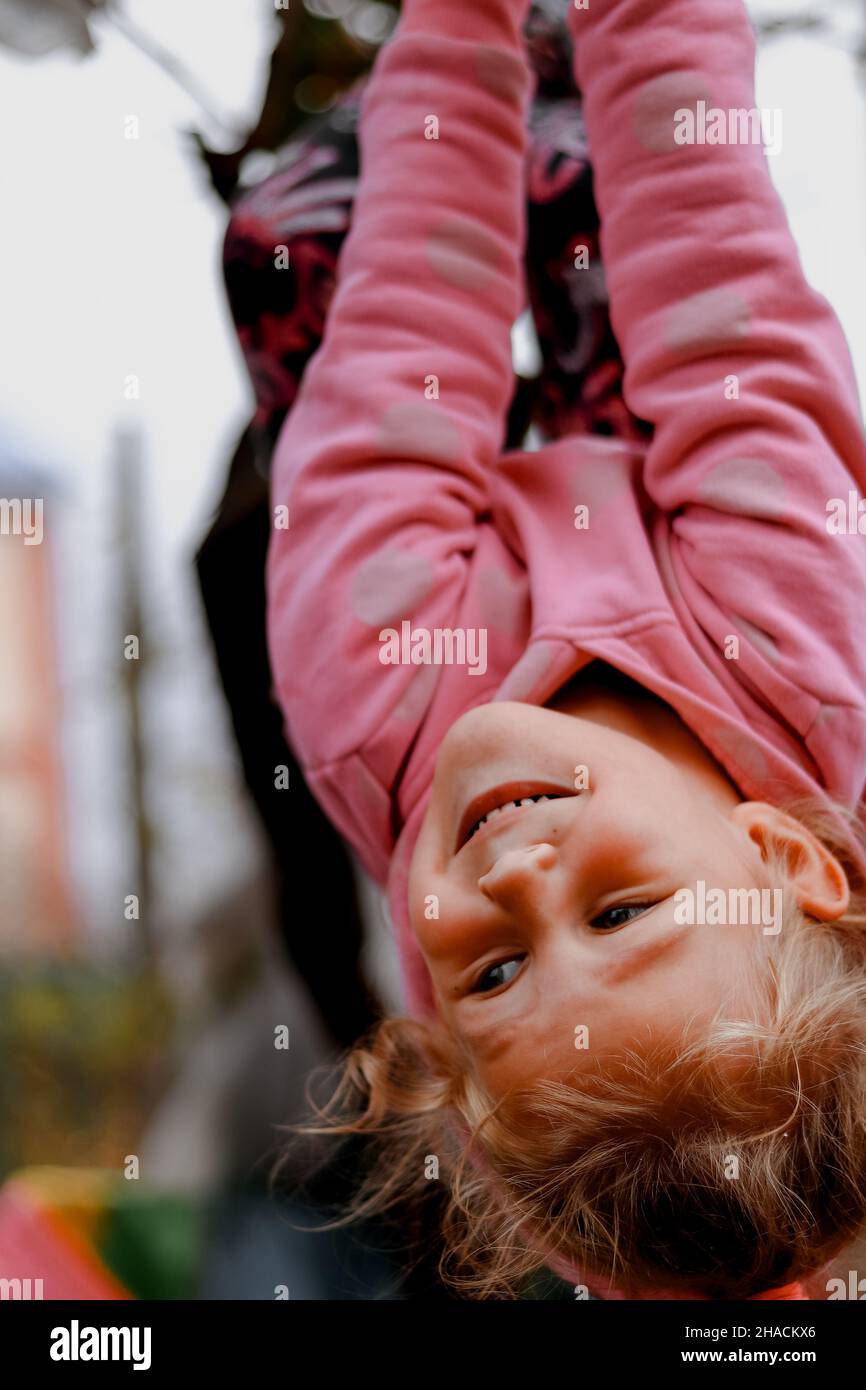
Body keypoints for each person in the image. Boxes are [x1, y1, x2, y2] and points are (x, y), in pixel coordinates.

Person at [256, 0, 866, 1298]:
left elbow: (410, 328)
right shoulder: (807, 635)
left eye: (489, 969)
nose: (514, 873)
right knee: (616, 189)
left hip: (429, 505)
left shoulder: (373, 697)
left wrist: (455, 19)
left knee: (286, 241)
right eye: (619, 906)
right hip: (673, 487)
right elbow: (723, 277)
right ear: (781, 854)